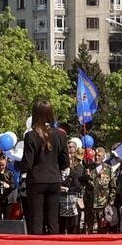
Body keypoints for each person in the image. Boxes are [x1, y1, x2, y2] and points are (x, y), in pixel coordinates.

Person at [21, 99, 70, 235]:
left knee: (36, 219)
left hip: (36, 181)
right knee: (53, 220)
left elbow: (27, 164)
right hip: (54, 180)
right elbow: (66, 162)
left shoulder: (31, 136)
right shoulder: (60, 135)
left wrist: (15, 164)